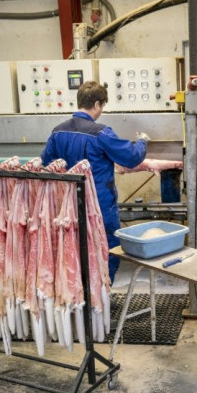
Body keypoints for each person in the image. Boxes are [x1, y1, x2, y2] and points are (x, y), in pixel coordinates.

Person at [41, 80, 149, 282]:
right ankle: (101, 299)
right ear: (97, 104)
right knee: (106, 249)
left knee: (73, 249)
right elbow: (132, 157)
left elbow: (46, 162)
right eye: (102, 106)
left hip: (67, 205)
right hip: (98, 205)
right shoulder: (100, 133)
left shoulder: (57, 132)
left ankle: (81, 299)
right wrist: (143, 140)